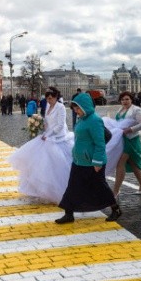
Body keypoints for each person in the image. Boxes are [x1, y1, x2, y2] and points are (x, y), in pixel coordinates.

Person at [55, 92, 121, 224]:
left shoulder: (94, 120)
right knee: (72, 187)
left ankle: (115, 209)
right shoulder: (82, 119)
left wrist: (97, 161)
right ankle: (69, 214)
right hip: (79, 161)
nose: (75, 111)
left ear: (85, 106)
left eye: (77, 108)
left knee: (100, 187)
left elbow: (100, 142)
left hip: (92, 163)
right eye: (74, 108)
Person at [8, 87, 74, 204]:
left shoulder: (61, 107)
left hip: (58, 136)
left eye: (50, 98)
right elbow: (47, 121)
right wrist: (41, 125)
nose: (48, 101)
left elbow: (59, 125)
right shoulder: (48, 106)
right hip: (47, 134)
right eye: (47, 99)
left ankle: (57, 189)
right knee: (38, 159)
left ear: (55, 97)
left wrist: (49, 135)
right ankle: (38, 190)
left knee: (55, 161)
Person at [109, 91, 141, 198]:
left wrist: (130, 129)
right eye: (122, 99)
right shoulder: (120, 110)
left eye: (127, 99)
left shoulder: (136, 110)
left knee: (120, 163)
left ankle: (115, 191)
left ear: (131, 100)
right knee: (133, 164)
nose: (124, 101)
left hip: (131, 140)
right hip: (121, 140)